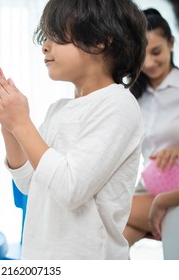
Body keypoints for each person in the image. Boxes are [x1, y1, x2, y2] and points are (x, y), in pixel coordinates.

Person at [0, 0, 147, 259]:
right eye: (45, 37)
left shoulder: (118, 104)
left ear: (100, 40)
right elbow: (28, 183)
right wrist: (9, 127)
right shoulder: (58, 109)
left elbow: (71, 188)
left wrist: (21, 123)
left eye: (56, 37)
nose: (45, 46)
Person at [124, 8, 179, 245]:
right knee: (109, 244)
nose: (149, 63)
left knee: (109, 213)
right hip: (147, 185)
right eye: (142, 56)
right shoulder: (134, 97)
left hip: (174, 191)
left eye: (156, 52)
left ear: (171, 43)